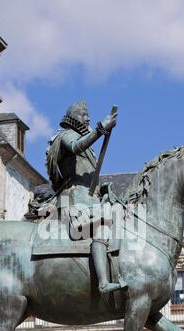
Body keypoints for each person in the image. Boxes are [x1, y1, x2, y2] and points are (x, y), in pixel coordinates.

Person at [46, 100, 123, 294]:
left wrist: (101, 187)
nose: (87, 117)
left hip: (89, 197)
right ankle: (103, 282)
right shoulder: (64, 136)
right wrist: (100, 129)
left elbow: (88, 174)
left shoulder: (86, 143)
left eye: (88, 114)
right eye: (83, 114)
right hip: (75, 198)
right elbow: (75, 147)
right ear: (73, 117)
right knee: (102, 227)